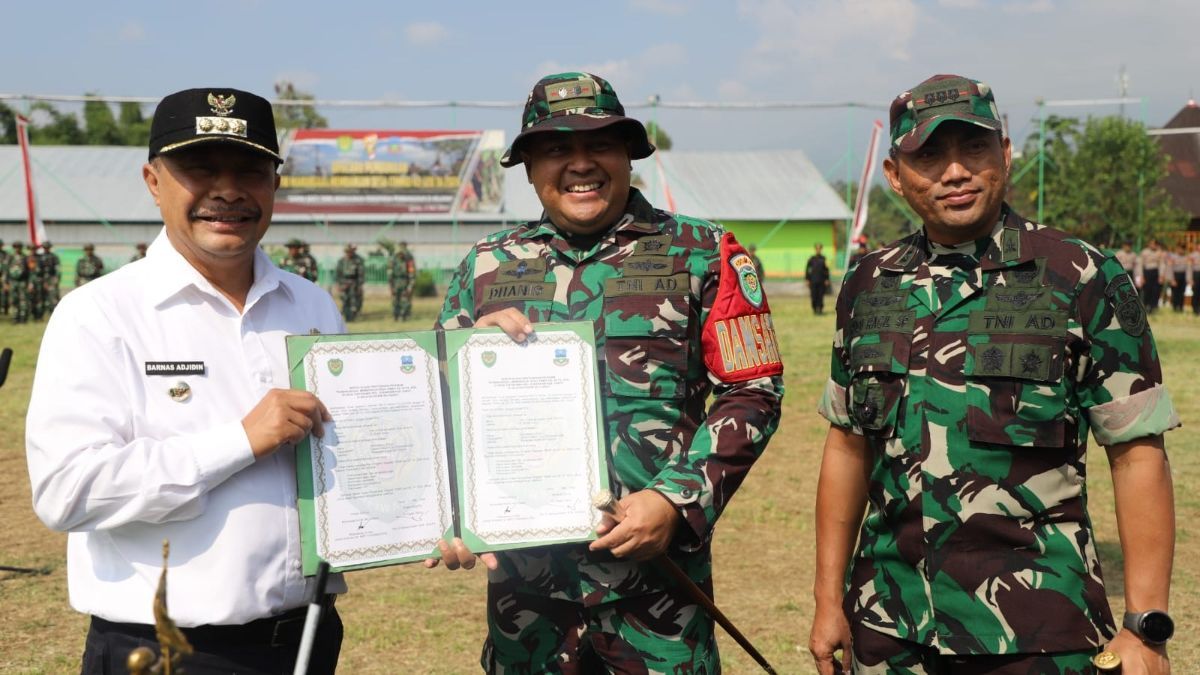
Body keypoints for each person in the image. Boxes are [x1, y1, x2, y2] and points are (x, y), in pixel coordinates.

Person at [809, 74, 1178, 675]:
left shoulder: (1080, 275)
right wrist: (829, 600)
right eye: (929, 155)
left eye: (973, 147)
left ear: (1005, 155)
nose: (955, 171)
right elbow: (847, 447)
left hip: (1035, 631)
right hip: (889, 625)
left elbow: (1137, 453)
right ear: (896, 177)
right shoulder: (867, 284)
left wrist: (1146, 625)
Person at [430, 71, 784, 673]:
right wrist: (448, 510)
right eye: (556, 149)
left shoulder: (705, 253)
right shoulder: (485, 266)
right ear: (529, 165)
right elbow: (434, 405)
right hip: (527, 601)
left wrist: (676, 500)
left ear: (628, 154)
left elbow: (752, 390)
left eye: (599, 143)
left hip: (659, 591)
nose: (579, 164)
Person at [25, 87, 346, 675]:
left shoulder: (312, 306)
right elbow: (66, 491)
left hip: (305, 640)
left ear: (276, 182)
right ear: (153, 180)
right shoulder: (99, 313)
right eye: (200, 168)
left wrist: (440, 522)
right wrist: (240, 441)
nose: (227, 190)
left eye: (250, 169)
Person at [387, 240, 416, 321]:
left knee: (405, 301)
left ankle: (404, 316)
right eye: (399, 253)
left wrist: (410, 286)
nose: (400, 255)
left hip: (405, 283)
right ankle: (395, 316)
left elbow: (412, 275)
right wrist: (391, 286)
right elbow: (390, 275)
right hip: (395, 283)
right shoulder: (393, 260)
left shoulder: (408, 261)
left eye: (402, 253)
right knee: (395, 301)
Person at [335, 243, 365, 321]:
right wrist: (339, 285)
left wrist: (360, 286)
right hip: (343, 283)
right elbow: (338, 274)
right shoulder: (341, 261)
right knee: (345, 300)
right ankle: (346, 316)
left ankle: (352, 316)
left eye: (350, 251)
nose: (348, 253)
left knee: (354, 301)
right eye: (347, 252)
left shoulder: (358, 260)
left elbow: (361, 274)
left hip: (354, 284)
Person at [6, 241, 31, 323]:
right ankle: (14, 318)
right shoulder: (10, 257)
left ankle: (23, 318)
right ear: (14, 248)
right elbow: (5, 270)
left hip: (22, 282)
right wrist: (5, 283)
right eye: (16, 247)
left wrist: (30, 283)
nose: (17, 248)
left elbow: (30, 271)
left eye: (19, 247)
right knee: (13, 300)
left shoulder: (25, 257)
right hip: (13, 282)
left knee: (23, 300)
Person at [1136, 238, 1163, 313]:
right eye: (1152, 244)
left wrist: (1161, 275)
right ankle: (1145, 306)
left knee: (1155, 291)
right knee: (1147, 290)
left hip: (1156, 272)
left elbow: (1161, 264)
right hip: (1147, 272)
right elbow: (1140, 265)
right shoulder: (1144, 252)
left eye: (1155, 244)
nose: (1153, 245)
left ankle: (1153, 307)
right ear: (1149, 244)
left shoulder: (1159, 252)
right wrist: (1141, 276)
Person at [805, 242, 832, 315]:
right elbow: (807, 269)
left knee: (820, 296)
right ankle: (814, 309)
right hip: (813, 281)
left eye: (819, 248)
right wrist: (807, 279)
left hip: (821, 281)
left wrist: (827, 279)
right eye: (817, 248)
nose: (818, 250)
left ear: (821, 249)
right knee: (814, 296)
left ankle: (820, 309)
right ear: (815, 249)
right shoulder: (811, 259)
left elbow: (827, 270)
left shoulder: (824, 259)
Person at [39, 240, 62, 315]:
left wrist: (56, 280)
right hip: (42, 279)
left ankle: (53, 313)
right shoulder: (40, 257)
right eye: (44, 247)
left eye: (47, 247)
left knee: (53, 296)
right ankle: (40, 314)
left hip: (52, 279)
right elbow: (37, 270)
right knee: (41, 296)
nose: (46, 249)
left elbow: (58, 270)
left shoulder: (54, 257)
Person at [1165, 243, 1188, 313]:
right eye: (1180, 248)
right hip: (1175, 275)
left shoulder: (1186, 257)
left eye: (1183, 249)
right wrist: (1172, 279)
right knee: (1175, 293)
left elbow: (1188, 269)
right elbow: (1170, 268)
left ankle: (1180, 307)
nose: (1181, 250)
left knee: (1182, 292)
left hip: (1183, 275)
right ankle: (1175, 307)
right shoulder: (1173, 257)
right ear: (1177, 249)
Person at [1190, 241, 1200, 316]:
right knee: (1196, 292)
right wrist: (1190, 278)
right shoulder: (1192, 255)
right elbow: (1189, 267)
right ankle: (1195, 308)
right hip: (1196, 274)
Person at [0, 239, 9, 315]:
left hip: (3, 276)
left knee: (5, 293)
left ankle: (5, 309)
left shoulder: (5, 254)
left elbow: (6, 267)